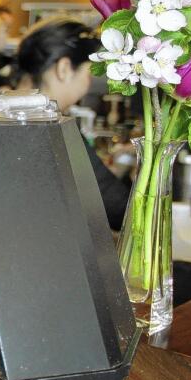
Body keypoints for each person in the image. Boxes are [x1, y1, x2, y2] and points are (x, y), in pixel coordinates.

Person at [11, 19, 130, 230]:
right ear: (64, 68)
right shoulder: (56, 128)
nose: (89, 81)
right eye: (88, 72)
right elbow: (117, 208)